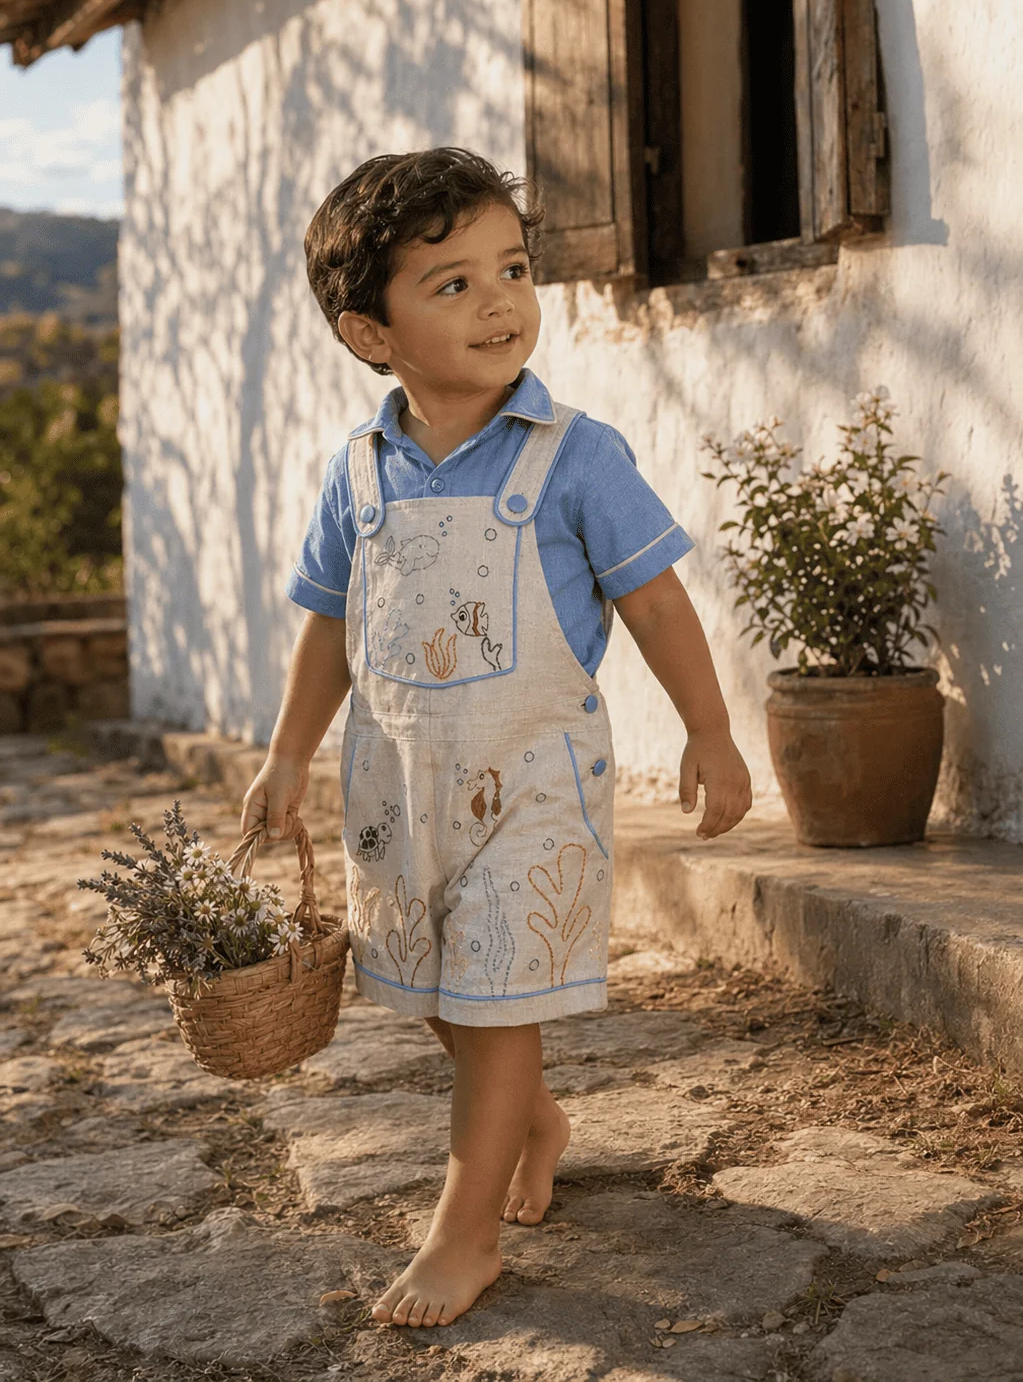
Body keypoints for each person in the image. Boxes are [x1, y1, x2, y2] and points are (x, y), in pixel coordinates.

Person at [241, 146, 752, 1330]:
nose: (501, 300)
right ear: (373, 333)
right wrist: (284, 753)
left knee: (492, 1004)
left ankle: (462, 1236)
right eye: (454, 282)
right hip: (398, 792)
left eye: (513, 268)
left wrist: (712, 729)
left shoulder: (577, 454)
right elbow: (327, 625)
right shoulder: (357, 472)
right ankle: (529, 1116)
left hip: (531, 791)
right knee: (429, 986)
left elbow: (659, 602)